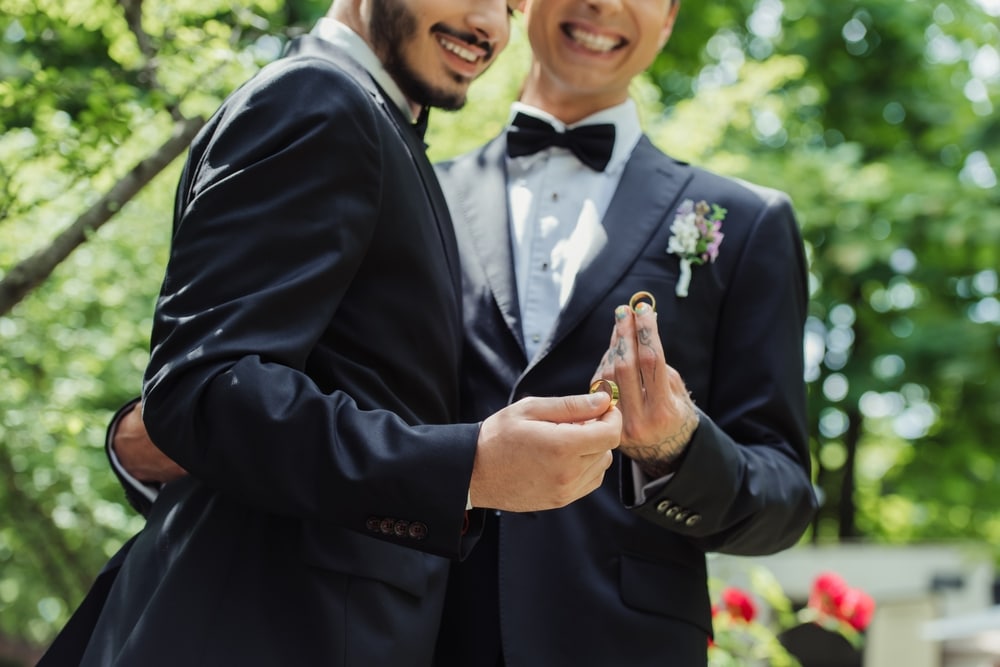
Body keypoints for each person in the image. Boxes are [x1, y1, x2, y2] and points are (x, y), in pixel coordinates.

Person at [102, 0, 818, 663]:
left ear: (669, 18)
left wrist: (676, 451)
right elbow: (233, 377)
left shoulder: (746, 222)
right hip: (406, 635)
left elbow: (785, 494)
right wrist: (153, 432)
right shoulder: (395, 170)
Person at [37, 0, 625, 664]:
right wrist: (470, 468)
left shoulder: (381, 126)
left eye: (512, 5)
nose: (491, 25)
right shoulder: (314, 98)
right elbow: (203, 387)